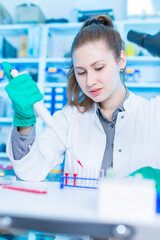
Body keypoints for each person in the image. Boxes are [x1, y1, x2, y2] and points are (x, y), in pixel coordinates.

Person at [3, 15, 160, 187]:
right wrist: (24, 122)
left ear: (121, 60)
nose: (90, 81)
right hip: (80, 214)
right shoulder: (69, 118)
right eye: (81, 72)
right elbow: (31, 172)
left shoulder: (154, 113)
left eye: (99, 68)